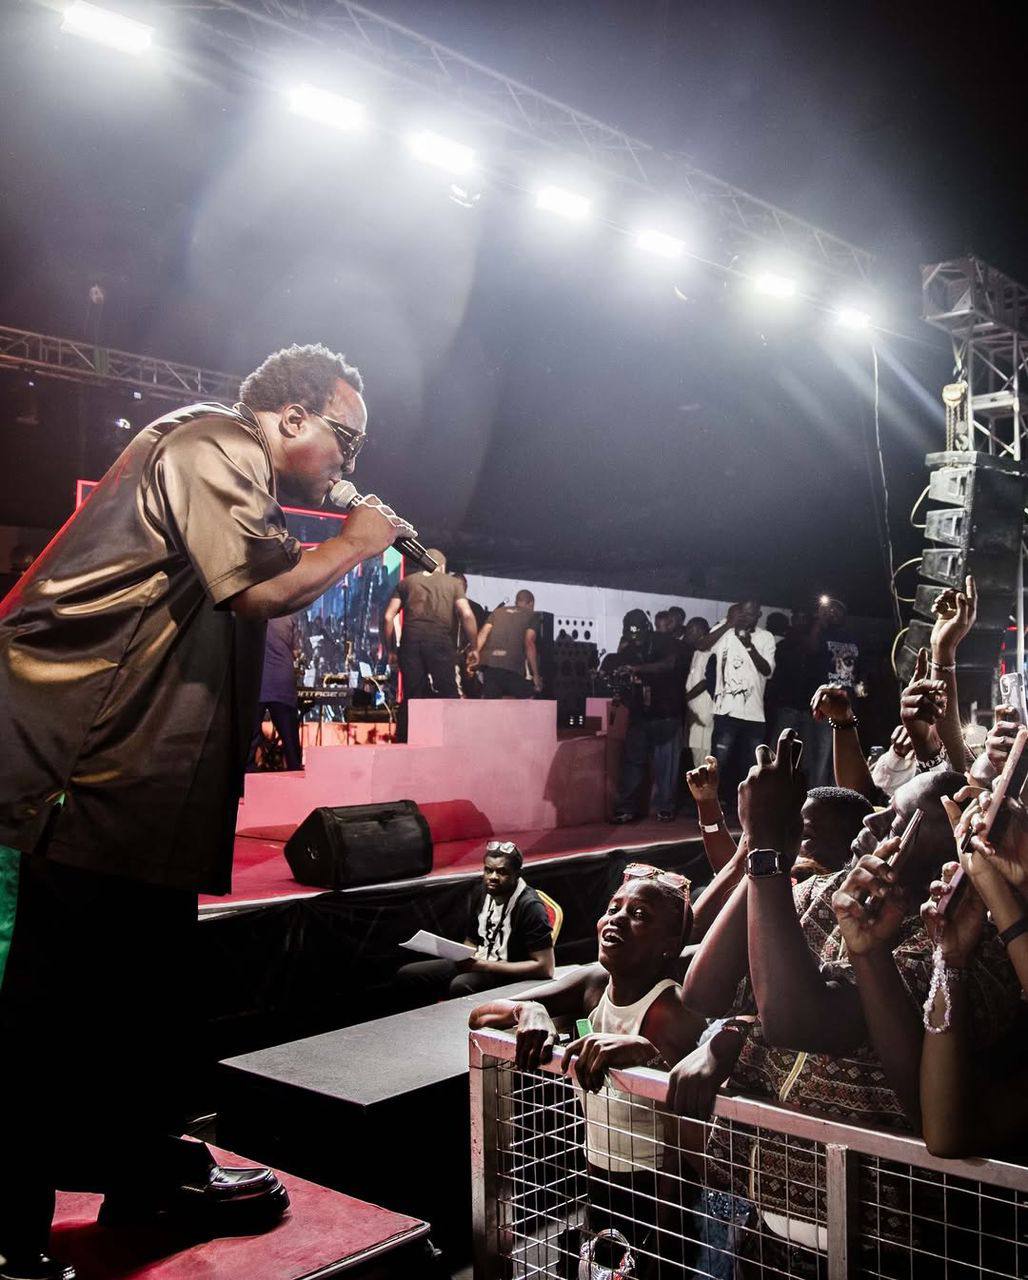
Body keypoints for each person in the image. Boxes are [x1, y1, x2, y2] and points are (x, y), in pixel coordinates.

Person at [0, 342, 413, 1279]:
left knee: (142, 1008)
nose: (349, 461)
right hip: (83, 770)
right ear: (292, 416)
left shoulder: (245, 478)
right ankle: (6, 1229)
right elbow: (260, 588)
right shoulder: (211, 441)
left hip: (144, 783)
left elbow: (261, 585)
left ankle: (143, 1174)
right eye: (345, 438)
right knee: (45, 1013)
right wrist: (360, 540)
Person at [469, 864, 703, 1279]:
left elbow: (683, 1149)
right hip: (598, 1179)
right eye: (614, 908)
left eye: (639, 915)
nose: (617, 919)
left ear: (670, 943)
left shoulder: (669, 1012)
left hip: (656, 1193)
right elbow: (480, 1016)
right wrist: (530, 1010)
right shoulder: (594, 983)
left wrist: (664, 1238)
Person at [395, 841, 554, 1004]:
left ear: (517, 874)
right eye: (488, 870)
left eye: (502, 872)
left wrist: (482, 965)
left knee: (461, 985)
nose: (493, 877)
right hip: (480, 960)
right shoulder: (483, 891)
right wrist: (461, 955)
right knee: (408, 974)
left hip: (509, 972)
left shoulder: (531, 906)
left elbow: (545, 968)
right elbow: (472, 940)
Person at [383, 549, 479, 740]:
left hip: (410, 644)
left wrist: (391, 650)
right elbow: (467, 614)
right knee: (448, 691)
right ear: (442, 567)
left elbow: (388, 616)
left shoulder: (407, 582)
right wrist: (474, 647)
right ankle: (453, 738)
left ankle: (404, 740)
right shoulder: (453, 584)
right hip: (440, 643)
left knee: (412, 694)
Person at [695, 600, 776, 809]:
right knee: (718, 761)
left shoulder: (766, 637)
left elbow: (767, 670)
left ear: (758, 615)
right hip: (726, 713)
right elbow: (701, 645)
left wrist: (749, 645)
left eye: (750, 614)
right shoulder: (726, 632)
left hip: (754, 714)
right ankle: (711, 805)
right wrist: (728, 624)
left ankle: (747, 808)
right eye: (742, 613)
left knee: (751, 765)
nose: (745, 618)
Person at [610, 611, 685, 824]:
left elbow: (669, 664)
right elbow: (621, 676)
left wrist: (637, 669)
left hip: (666, 712)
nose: (636, 641)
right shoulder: (629, 650)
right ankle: (626, 809)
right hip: (640, 714)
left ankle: (666, 807)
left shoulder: (664, 641)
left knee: (666, 766)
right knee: (632, 764)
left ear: (646, 628)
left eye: (638, 636)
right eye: (631, 636)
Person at [248, 612, 303, 770]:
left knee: (249, 744)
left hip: (256, 683)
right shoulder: (289, 615)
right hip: (282, 682)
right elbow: (296, 651)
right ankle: (295, 776)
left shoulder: (251, 614)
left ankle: (246, 781)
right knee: (291, 744)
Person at [472, 590, 542, 699]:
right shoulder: (532, 616)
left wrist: (473, 657)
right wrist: (536, 675)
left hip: (490, 668)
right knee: (529, 695)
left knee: (491, 703)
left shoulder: (497, 612)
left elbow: (483, 634)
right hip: (512, 670)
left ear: (516, 602)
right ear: (531, 603)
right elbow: (529, 643)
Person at [683, 618, 714, 773]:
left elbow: (705, 683)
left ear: (701, 631)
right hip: (695, 711)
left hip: (704, 712)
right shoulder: (696, 652)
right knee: (697, 756)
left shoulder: (710, 652)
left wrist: (685, 698)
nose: (687, 633)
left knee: (704, 758)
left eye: (691, 629)